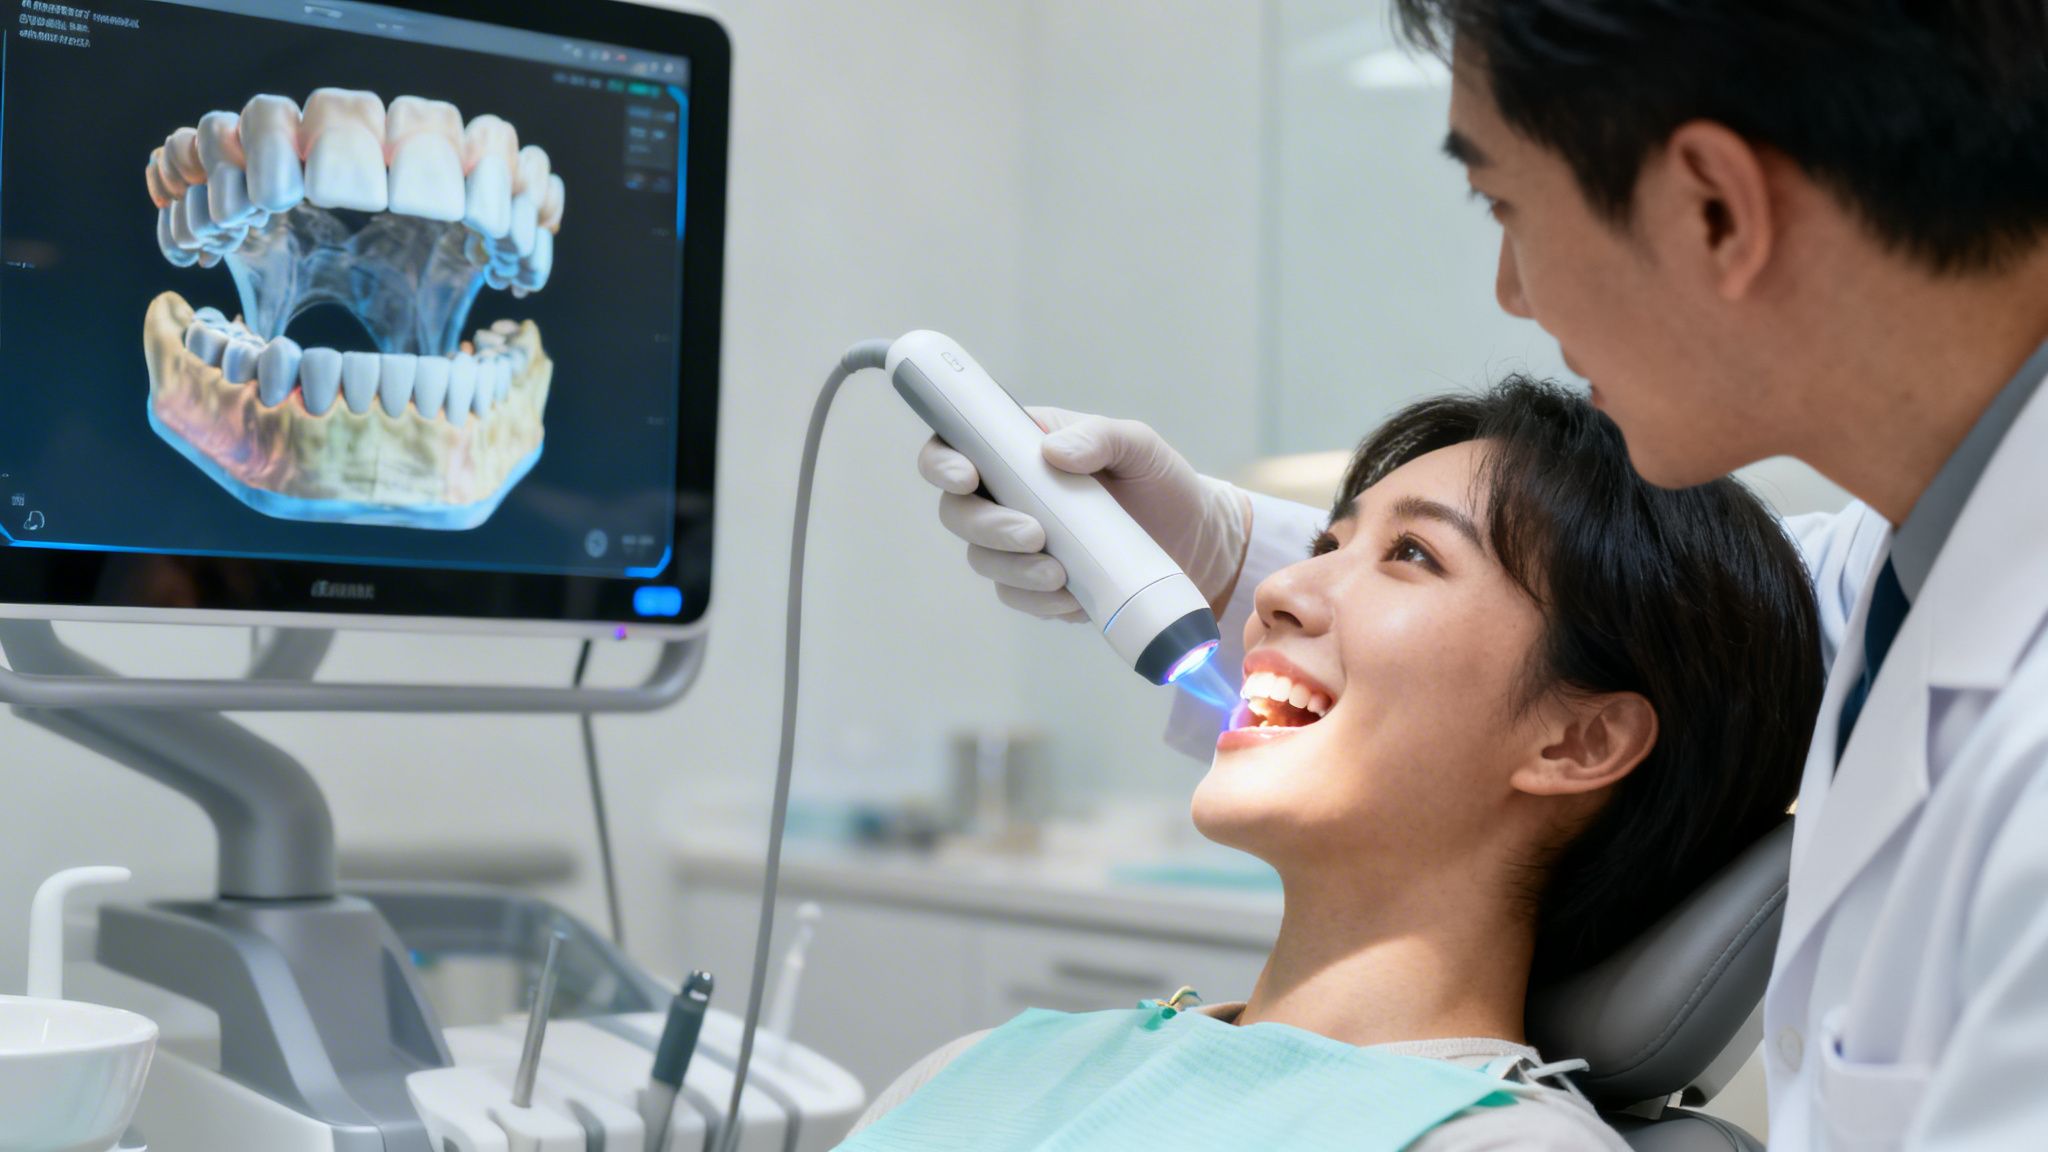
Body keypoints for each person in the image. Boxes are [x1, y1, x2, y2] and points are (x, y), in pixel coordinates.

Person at [924, 4, 2048, 1148]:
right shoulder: (1924, 562)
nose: (1512, 291)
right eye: (1331, 548)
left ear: (1710, 207)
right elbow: (1700, 618)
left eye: (1506, 203)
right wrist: (1220, 549)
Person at [845, 379, 1822, 1151]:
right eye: (1324, 543)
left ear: (1576, 742)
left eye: (1409, 556)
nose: (1277, 590)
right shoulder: (983, 1067)